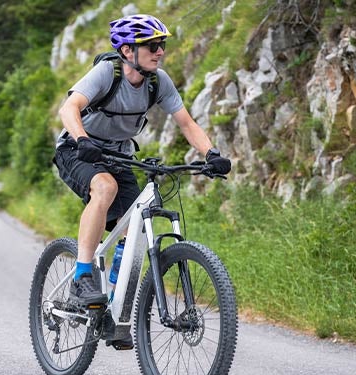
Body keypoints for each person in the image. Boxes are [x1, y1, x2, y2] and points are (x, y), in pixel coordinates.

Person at [53, 14, 231, 310]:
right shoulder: (107, 73)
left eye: (161, 44)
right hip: (77, 149)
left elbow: (186, 124)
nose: (160, 51)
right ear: (127, 50)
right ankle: (82, 278)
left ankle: (112, 302)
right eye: (152, 45)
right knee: (105, 187)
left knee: (136, 221)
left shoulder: (157, 82)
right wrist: (83, 139)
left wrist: (211, 154)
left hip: (118, 155)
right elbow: (69, 108)